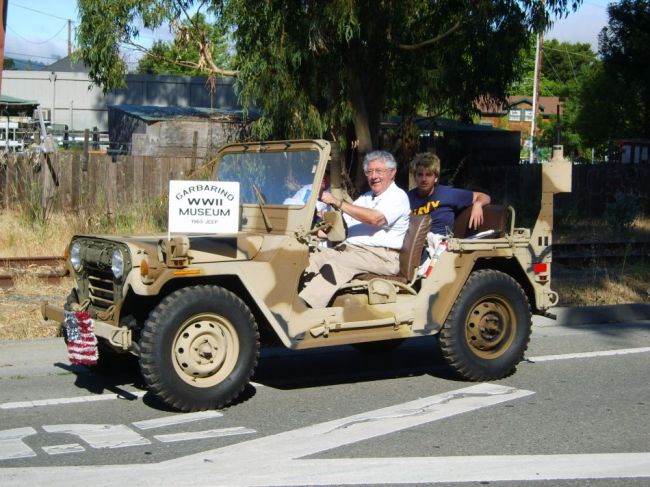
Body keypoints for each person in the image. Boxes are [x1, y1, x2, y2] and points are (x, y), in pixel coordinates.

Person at [299, 150, 411, 308]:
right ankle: (297, 298)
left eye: (379, 171)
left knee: (337, 264)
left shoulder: (398, 196)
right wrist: (312, 232)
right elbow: (344, 224)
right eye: (369, 171)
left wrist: (337, 202)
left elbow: (374, 218)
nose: (374, 176)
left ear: (392, 172)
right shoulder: (366, 197)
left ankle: (303, 309)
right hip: (351, 250)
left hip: (381, 256)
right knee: (309, 256)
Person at [408, 152, 491, 235]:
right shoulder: (406, 199)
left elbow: (484, 196)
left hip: (441, 244)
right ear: (415, 177)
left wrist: (478, 204)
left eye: (428, 175)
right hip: (413, 244)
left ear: (436, 177)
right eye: (420, 174)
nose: (424, 179)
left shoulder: (448, 194)